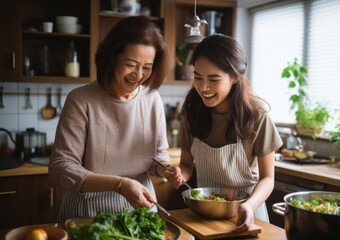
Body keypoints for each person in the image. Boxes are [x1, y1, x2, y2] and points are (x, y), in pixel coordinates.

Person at [49, 16, 171, 222]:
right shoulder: (81, 100)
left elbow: (158, 155)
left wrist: (166, 169)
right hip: (88, 212)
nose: (138, 75)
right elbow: (62, 168)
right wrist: (120, 184)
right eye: (131, 64)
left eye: (147, 67)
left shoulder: (152, 99)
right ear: (112, 57)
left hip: (141, 209)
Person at [164, 34, 282, 232]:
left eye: (213, 79)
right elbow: (186, 165)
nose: (203, 87)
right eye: (198, 77)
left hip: (248, 214)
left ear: (235, 77)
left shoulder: (257, 115)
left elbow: (268, 179)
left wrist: (249, 205)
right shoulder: (192, 111)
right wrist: (178, 174)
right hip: (204, 218)